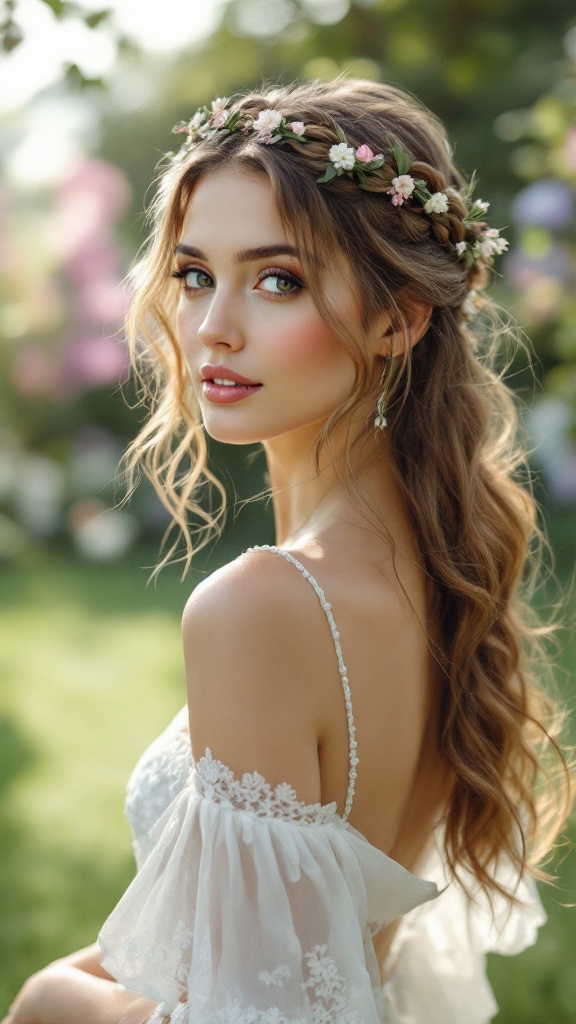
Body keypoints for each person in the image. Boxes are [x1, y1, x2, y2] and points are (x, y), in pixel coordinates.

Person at [4, 78, 573, 1024]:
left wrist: (52, 1003)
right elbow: (280, 949)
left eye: (279, 280)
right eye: (193, 275)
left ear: (398, 318)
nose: (213, 325)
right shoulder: (439, 569)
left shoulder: (261, 605)